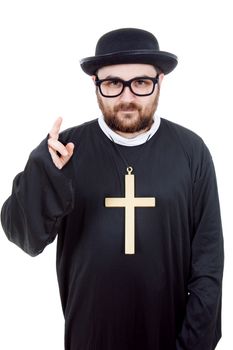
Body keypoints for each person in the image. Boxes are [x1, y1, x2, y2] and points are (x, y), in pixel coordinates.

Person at [1, 28, 224, 350]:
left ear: (159, 81)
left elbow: (209, 260)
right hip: (88, 336)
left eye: (141, 83)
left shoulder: (192, 151)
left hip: (169, 337)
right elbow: (24, 237)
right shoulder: (63, 150)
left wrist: (195, 343)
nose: (127, 97)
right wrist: (45, 173)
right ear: (96, 85)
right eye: (113, 83)